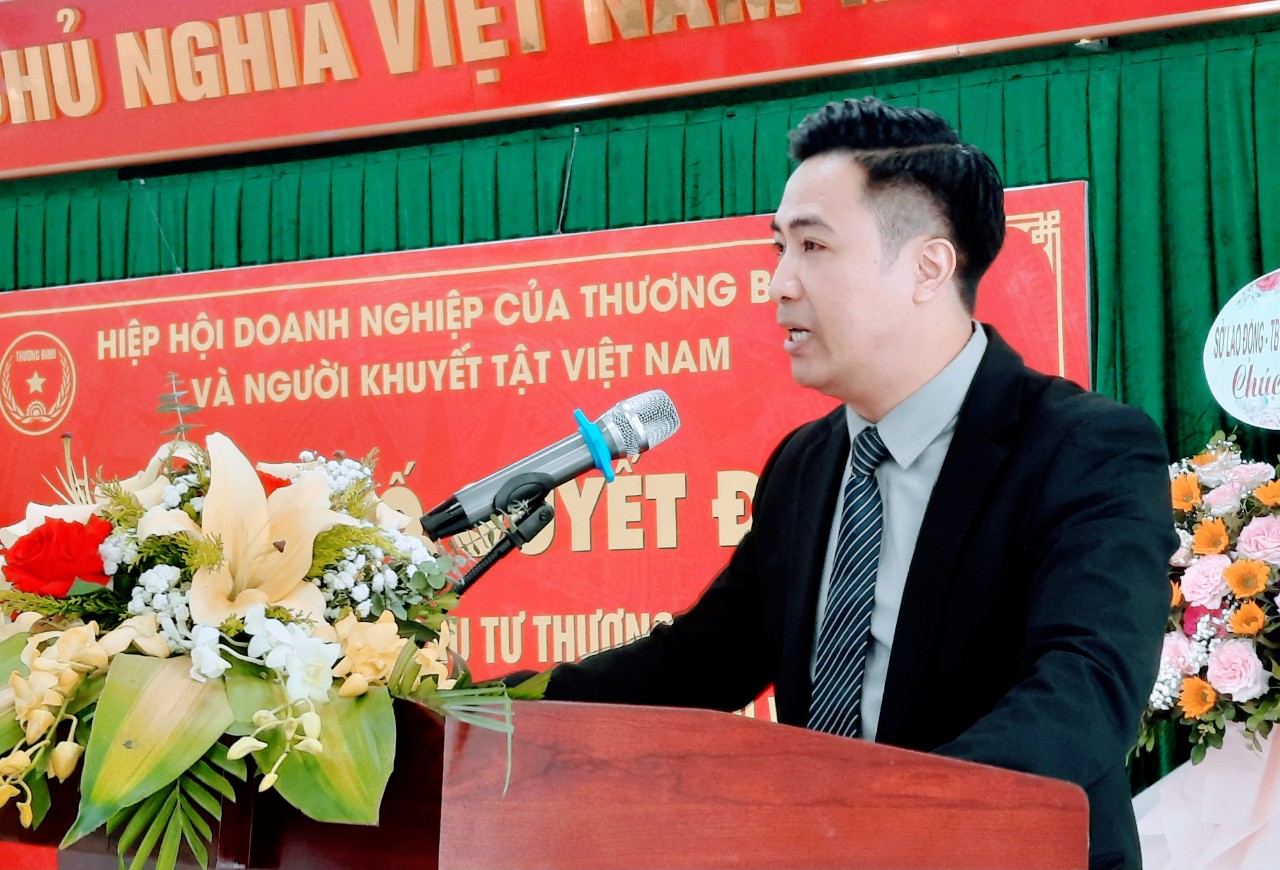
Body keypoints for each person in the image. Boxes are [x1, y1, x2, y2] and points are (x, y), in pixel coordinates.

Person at [537, 97, 1174, 870]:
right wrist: (490, 710)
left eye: (813, 246)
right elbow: (699, 663)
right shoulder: (805, 464)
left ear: (927, 268)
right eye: (780, 248)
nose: (779, 284)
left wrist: (878, 822)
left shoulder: (1084, 448)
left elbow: (1085, 692)